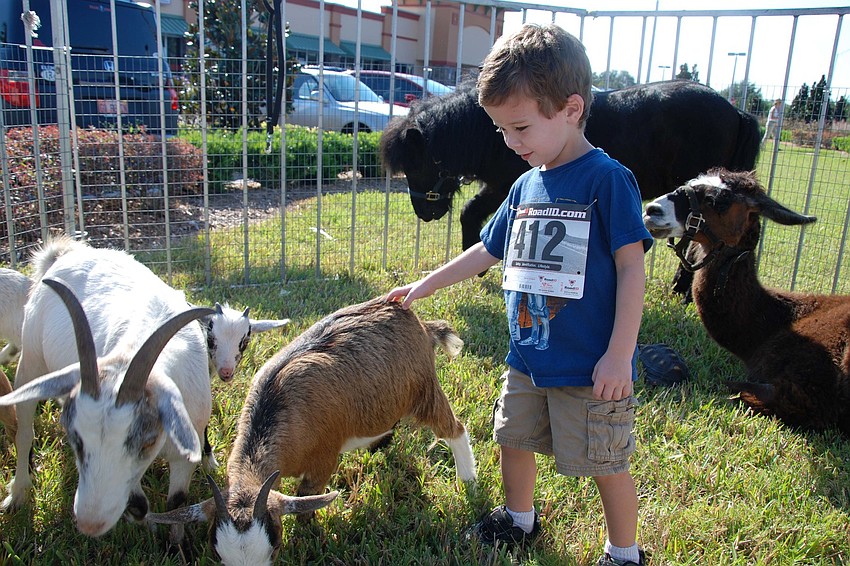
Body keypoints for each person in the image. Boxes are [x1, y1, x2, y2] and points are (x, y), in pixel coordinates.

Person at [385, 23, 652, 566]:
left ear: (572, 109)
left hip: (588, 366)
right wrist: (425, 284)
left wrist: (619, 353)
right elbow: (487, 251)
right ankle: (519, 519)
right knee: (512, 436)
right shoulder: (525, 185)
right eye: (502, 131)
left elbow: (631, 270)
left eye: (521, 128)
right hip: (527, 354)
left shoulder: (607, 181)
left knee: (605, 461)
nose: (511, 143)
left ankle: (624, 553)